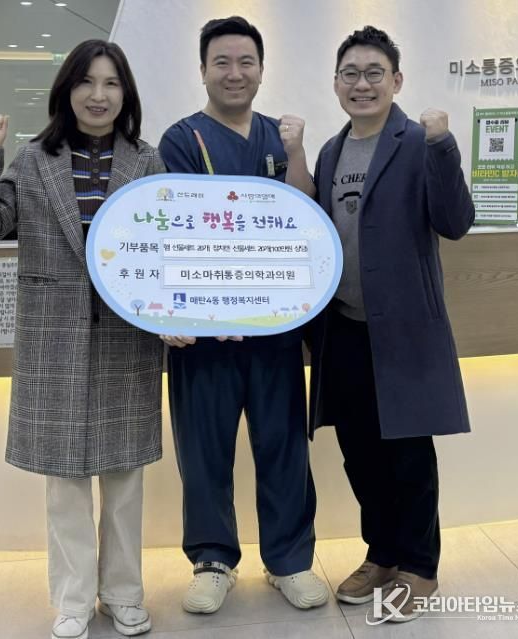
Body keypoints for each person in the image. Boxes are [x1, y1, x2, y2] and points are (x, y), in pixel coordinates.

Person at [0, 40, 166, 639]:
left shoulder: (147, 161)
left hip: (127, 337)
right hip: (52, 338)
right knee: (65, 483)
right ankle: (74, 599)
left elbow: (164, 252)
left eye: (111, 83)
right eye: (86, 82)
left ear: (126, 94)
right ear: (66, 90)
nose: (98, 95)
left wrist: (172, 315)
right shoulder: (33, 159)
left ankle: (124, 594)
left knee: (125, 478)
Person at [157, 16, 329, 614]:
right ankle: (212, 561)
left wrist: (297, 152)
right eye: (222, 63)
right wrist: (177, 312)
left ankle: (290, 560)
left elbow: (307, 216)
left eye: (246, 62)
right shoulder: (182, 139)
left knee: (284, 446)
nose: (235, 73)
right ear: (203, 70)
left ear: (261, 69)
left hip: (273, 329)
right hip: (204, 335)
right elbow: (173, 231)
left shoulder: (280, 137)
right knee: (204, 449)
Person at [308, 26, 475, 622]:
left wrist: (444, 145)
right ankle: (381, 553)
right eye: (350, 74)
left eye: (374, 73)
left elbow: (455, 221)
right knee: (359, 452)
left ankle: (419, 566)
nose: (362, 84)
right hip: (345, 329)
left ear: (396, 81)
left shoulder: (418, 141)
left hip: (402, 331)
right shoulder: (330, 152)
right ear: (336, 83)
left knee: (408, 454)